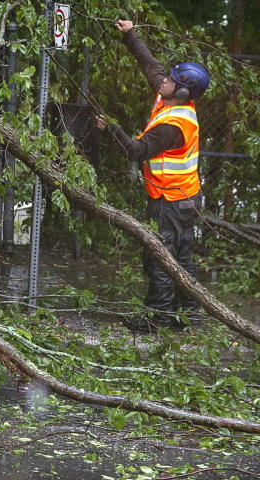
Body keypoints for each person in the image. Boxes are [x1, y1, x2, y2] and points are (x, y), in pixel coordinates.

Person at [96, 19, 210, 333]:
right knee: (180, 259)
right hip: (182, 197)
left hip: (172, 200)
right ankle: (188, 317)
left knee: (160, 259)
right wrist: (130, 33)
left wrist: (112, 129)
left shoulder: (174, 126)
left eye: (170, 81)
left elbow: (135, 150)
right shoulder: (169, 96)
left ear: (183, 90)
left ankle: (157, 321)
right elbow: (150, 65)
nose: (163, 81)